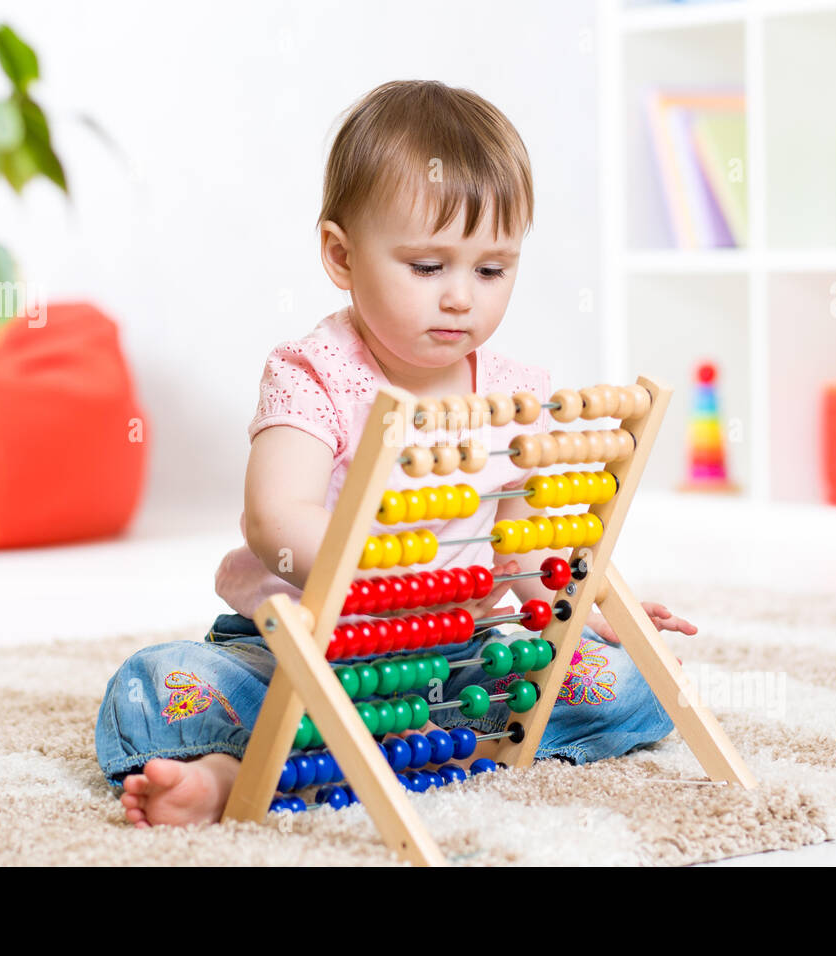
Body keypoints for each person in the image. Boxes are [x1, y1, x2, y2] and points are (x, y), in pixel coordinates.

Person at [97, 80, 698, 828]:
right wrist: (393, 575)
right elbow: (272, 517)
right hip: (316, 650)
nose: (460, 298)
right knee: (156, 685)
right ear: (342, 256)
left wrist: (581, 604)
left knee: (636, 682)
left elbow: (519, 549)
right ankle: (238, 770)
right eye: (427, 266)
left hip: (455, 660)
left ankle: (402, 746)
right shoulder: (315, 373)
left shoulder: (513, 396)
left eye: (491, 269)